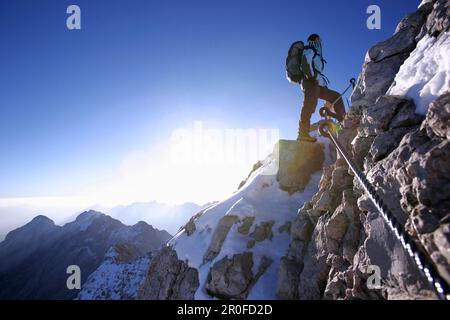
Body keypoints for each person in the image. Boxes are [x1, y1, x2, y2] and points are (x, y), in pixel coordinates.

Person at [297, 34, 345, 142]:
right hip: (310, 82)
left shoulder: (316, 51)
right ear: (315, 40)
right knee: (309, 105)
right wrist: (311, 77)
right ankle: (302, 133)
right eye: (319, 40)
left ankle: (343, 120)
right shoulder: (310, 49)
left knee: (336, 96)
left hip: (317, 83)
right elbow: (305, 62)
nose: (321, 42)